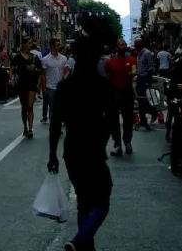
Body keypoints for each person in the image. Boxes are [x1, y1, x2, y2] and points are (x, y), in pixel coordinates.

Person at [48, 35, 112, 251]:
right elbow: (111, 120)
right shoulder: (102, 85)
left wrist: (52, 155)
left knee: (84, 200)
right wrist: (105, 140)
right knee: (102, 199)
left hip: (72, 148)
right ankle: (81, 239)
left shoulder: (64, 87)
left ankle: (85, 246)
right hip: (94, 148)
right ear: (95, 59)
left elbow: (55, 124)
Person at [106, 39, 137, 156]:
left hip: (127, 92)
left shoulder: (131, 59)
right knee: (113, 120)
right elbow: (108, 77)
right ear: (116, 47)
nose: (122, 47)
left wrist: (132, 73)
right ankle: (118, 144)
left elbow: (134, 70)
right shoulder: (110, 62)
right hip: (113, 93)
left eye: (123, 44)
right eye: (120, 45)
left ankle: (127, 142)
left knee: (128, 119)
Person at [10, 37, 43, 138]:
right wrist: (11, 80)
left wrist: (34, 70)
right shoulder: (17, 57)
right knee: (24, 106)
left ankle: (30, 129)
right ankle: (25, 126)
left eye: (31, 43)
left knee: (30, 106)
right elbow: (12, 69)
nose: (30, 45)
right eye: (28, 43)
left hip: (32, 83)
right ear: (24, 44)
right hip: (22, 83)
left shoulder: (34, 57)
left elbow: (40, 70)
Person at [41, 38, 70, 123]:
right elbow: (43, 75)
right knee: (52, 108)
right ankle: (52, 126)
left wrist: (65, 76)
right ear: (52, 46)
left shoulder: (63, 58)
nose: (59, 46)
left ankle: (58, 124)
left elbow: (67, 70)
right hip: (50, 87)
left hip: (61, 86)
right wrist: (44, 88)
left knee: (61, 107)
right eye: (57, 45)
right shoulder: (45, 59)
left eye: (59, 45)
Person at [134, 37, 157, 130]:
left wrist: (148, 80)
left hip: (145, 78)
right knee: (140, 99)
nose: (135, 47)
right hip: (139, 78)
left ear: (141, 45)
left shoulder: (147, 53)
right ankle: (143, 119)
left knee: (143, 99)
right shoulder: (139, 54)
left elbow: (151, 68)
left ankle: (153, 111)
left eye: (137, 45)